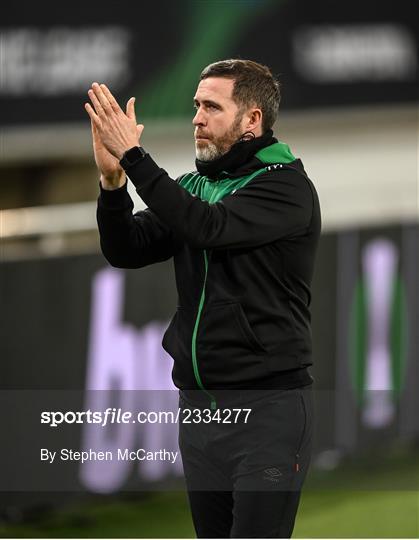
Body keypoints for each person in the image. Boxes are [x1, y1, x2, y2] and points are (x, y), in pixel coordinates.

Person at [85, 59, 321, 538]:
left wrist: (134, 157)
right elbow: (125, 249)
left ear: (252, 120)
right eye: (196, 105)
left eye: (212, 106)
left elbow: (207, 227)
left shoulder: (286, 187)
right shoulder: (196, 186)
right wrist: (113, 185)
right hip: (199, 413)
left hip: (267, 414)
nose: (197, 117)